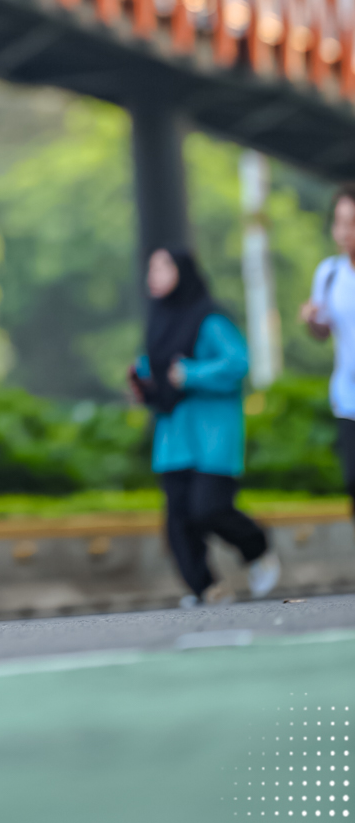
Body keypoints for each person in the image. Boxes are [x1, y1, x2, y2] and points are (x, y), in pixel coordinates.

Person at [130, 245, 280, 606]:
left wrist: (192, 373)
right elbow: (156, 367)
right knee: (178, 523)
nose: (154, 276)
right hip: (174, 438)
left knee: (209, 509)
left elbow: (237, 362)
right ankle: (207, 589)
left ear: (183, 272)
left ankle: (256, 547)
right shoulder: (159, 322)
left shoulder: (209, 319)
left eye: (163, 267)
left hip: (213, 436)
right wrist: (141, 379)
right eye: (152, 269)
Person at [298, 183, 355, 522]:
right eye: (339, 222)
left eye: (352, 222)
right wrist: (311, 320)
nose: (344, 232)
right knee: (352, 481)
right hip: (348, 397)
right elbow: (322, 332)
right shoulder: (329, 273)